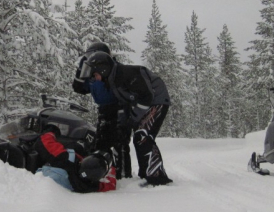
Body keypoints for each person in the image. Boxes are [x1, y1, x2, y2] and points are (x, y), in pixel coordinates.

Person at [82, 51, 173, 186]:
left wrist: (133, 119)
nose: (95, 79)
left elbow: (146, 96)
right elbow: (125, 103)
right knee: (140, 137)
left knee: (142, 136)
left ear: (103, 69)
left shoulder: (125, 74)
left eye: (95, 74)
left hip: (157, 100)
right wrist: (123, 124)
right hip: (147, 103)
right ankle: (146, 174)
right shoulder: (113, 80)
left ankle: (157, 178)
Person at [72, 42, 133, 179]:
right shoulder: (93, 73)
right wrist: (81, 69)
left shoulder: (114, 69)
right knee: (100, 144)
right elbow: (79, 88)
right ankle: (105, 172)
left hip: (119, 108)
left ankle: (123, 176)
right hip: (104, 110)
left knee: (120, 143)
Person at [32, 128, 117, 193]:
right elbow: (110, 185)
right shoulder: (85, 185)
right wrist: (112, 167)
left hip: (41, 168)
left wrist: (51, 132)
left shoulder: (65, 159)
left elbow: (44, 142)